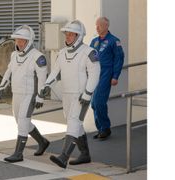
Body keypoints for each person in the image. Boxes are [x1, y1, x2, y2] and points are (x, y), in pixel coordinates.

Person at [41, 20, 100, 168]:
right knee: (74, 123)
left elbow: (95, 74)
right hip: (66, 95)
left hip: (81, 95)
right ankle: (85, 154)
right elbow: (55, 72)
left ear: (79, 36)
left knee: (74, 122)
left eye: (71, 34)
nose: (67, 37)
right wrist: (47, 85)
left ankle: (64, 157)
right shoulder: (62, 53)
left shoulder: (89, 52)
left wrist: (88, 93)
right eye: (66, 34)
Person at [0, 25, 49, 163]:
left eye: (22, 40)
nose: (18, 43)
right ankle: (42, 142)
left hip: (29, 94)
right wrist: (2, 87)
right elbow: (9, 71)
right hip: (16, 94)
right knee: (20, 122)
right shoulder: (14, 55)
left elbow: (43, 78)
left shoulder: (38, 57)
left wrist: (40, 96)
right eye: (17, 40)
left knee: (23, 122)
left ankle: (18, 153)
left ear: (29, 41)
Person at [90, 17, 125, 140]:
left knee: (99, 102)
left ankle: (105, 128)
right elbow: (89, 58)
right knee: (94, 104)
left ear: (106, 26)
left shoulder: (114, 41)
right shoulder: (94, 41)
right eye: (96, 25)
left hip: (106, 74)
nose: (97, 28)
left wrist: (115, 76)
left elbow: (119, 59)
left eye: (99, 25)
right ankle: (101, 129)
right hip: (94, 75)